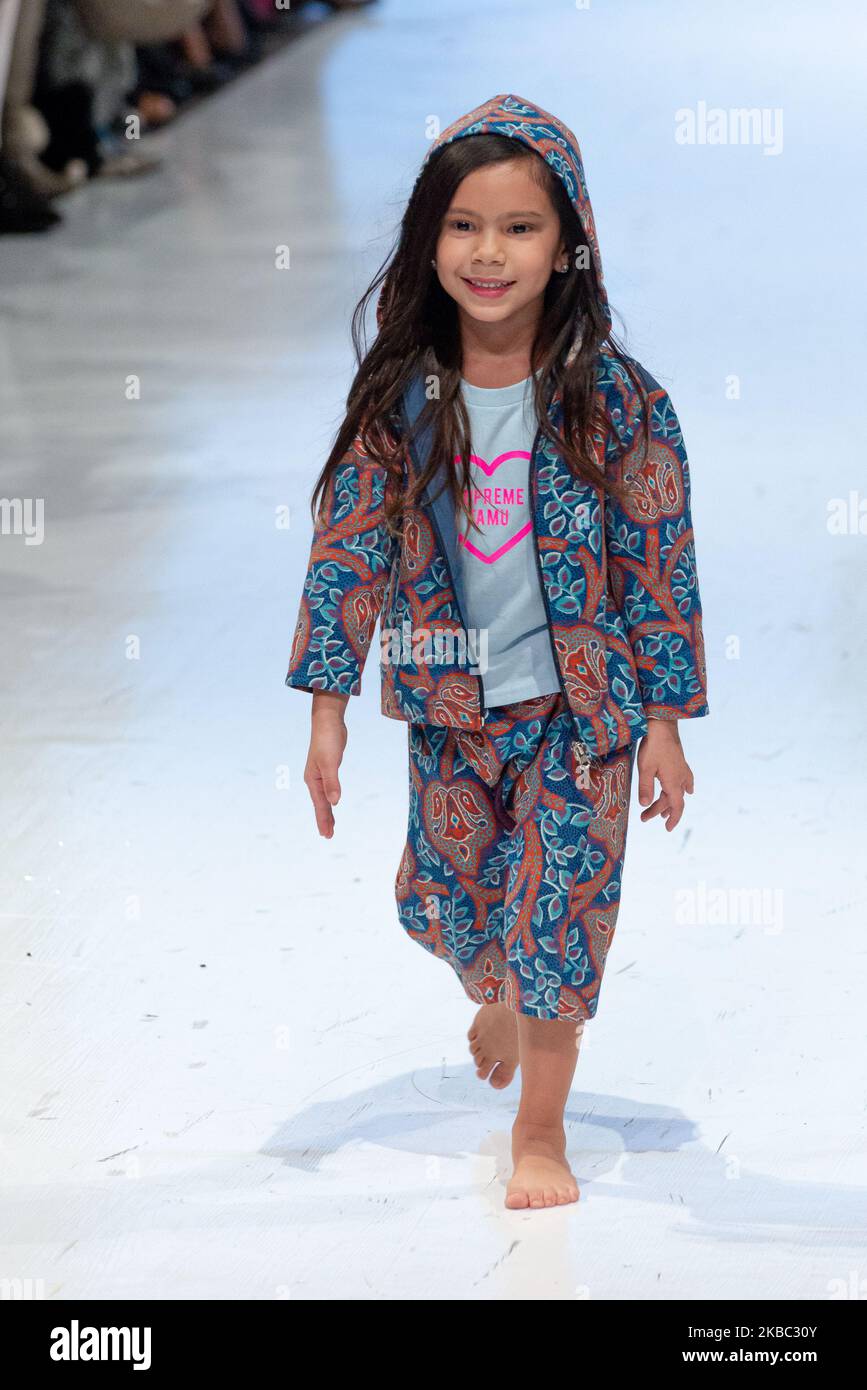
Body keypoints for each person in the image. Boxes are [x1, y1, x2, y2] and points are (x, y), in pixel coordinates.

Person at [283, 93, 710, 1210]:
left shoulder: (619, 402)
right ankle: (501, 982)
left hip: (586, 712)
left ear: (570, 244)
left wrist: (663, 724)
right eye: (465, 224)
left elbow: (660, 560)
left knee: (563, 926)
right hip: (448, 704)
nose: (490, 252)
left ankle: (540, 1131)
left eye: (520, 228)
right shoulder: (400, 399)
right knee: (442, 902)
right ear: (430, 239)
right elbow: (350, 549)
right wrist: (328, 706)